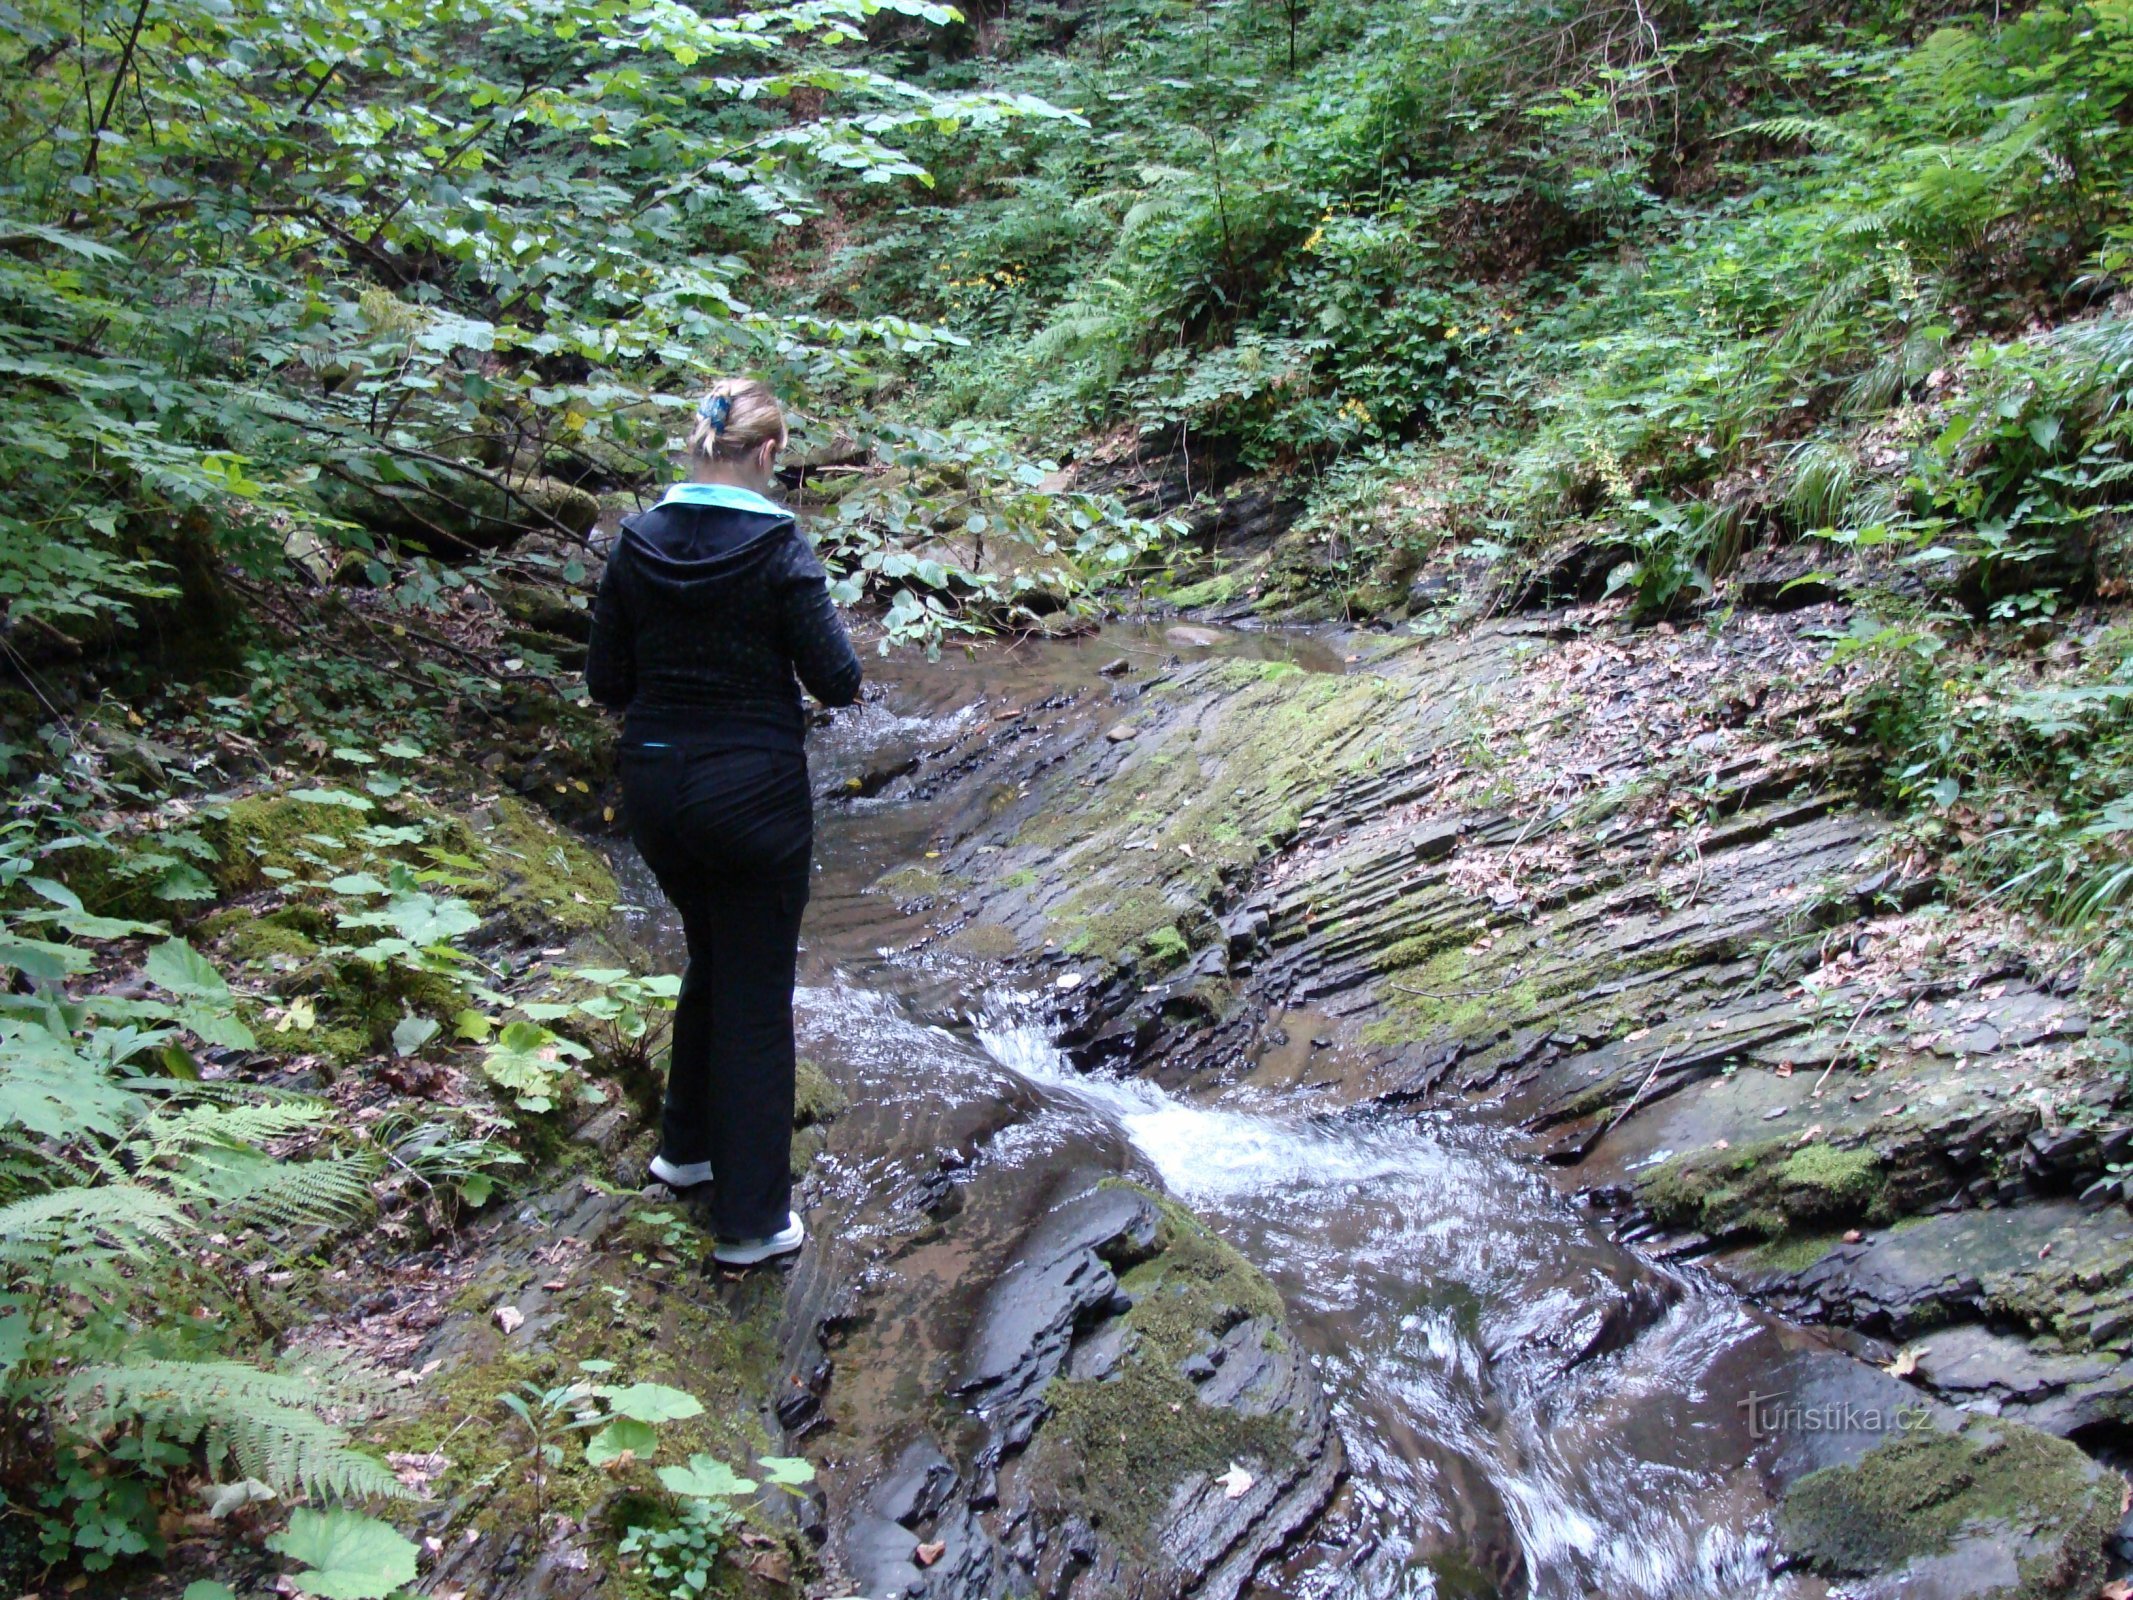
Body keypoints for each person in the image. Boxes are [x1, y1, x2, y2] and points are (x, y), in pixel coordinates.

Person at [586, 378, 862, 1267]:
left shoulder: (634, 543)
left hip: (659, 792)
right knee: (754, 997)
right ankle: (750, 1221)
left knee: (711, 955)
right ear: (769, 454)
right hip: (753, 798)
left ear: (698, 445)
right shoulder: (781, 548)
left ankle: (685, 1148)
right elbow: (838, 681)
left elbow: (607, 685)